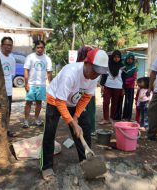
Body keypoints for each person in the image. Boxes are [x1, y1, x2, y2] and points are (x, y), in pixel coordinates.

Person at [40, 48, 109, 181]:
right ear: (86, 62)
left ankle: (86, 161)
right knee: (49, 132)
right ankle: (46, 167)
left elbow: (86, 97)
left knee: (85, 127)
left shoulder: (95, 76)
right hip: (55, 99)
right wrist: (72, 123)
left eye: (99, 72)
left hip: (73, 102)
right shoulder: (70, 73)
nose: (96, 75)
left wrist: (76, 117)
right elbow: (60, 102)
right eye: (94, 70)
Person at [22, 40, 53, 128]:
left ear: (44, 48)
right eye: (38, 47)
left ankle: (36, 120)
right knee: (28, 102)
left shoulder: (47, 59)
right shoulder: (30, 57)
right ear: (35, 48)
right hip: (31, 84)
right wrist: (26, 83)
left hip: (42, 85)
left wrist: (51, 85)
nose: (39, 49)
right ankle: (26, 121)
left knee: (39, 103)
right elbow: (26, 70)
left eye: (41, 47)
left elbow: (49, 73)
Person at [76, 46, 97, 135]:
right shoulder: (76, 68)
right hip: (78, 94)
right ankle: (77, 128)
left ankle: (91, 129)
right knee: (79, 113)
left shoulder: (94, 66)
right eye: (85, 55)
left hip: (89, 94)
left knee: (90, 112)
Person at [0, 37, 16, 137]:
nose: (8, 47)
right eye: (6, 45)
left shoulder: (12, 59)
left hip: (8, 90)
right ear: (1, 45)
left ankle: (6, 129)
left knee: (7, 111)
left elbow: (11, 74)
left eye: (10, 45)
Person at [99, 50, 124, 124]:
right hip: (108, 86)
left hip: (118, 87)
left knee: (114, 103)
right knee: (106, 102)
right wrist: (102, 85)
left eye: (118, 57)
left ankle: (111, 118)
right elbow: (104, 75)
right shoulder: (107, 65)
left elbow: (124, 78)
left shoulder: (122, 66)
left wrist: (123, 89)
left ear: (120, 58)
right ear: (112, 57)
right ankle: (105, 118)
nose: (116, 58)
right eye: (115, 57)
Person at [122, 52, 137, 121]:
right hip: (121, 86)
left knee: (129, 101)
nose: (130, 60)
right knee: (121, 101)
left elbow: (134, 77)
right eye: (129, 58)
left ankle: (128, 117)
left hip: (130, 86)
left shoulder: (134, 68)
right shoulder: (123, 66)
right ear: (126, 58)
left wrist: (125, 81)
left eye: (132, 59)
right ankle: (122, 116)